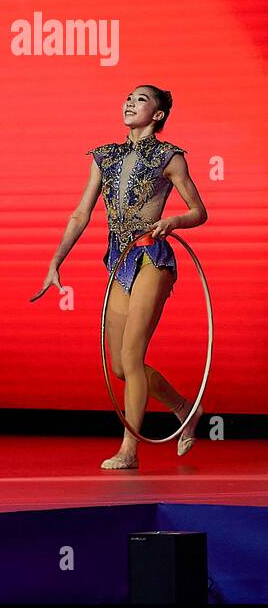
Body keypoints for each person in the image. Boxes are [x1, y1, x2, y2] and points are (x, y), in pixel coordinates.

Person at [33, 86, 208, 469]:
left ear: (158, 115)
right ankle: (184, 408)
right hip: (119, 261)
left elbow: (199, 211)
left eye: (141, 99)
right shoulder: (105, 156)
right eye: (128, 97)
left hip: (151, 255)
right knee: (119, 367)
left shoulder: (169, 156)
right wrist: (55, 261)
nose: (130, 102)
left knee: (132, 356)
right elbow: (81, 213)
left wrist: (174, 220)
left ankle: (129, 448)